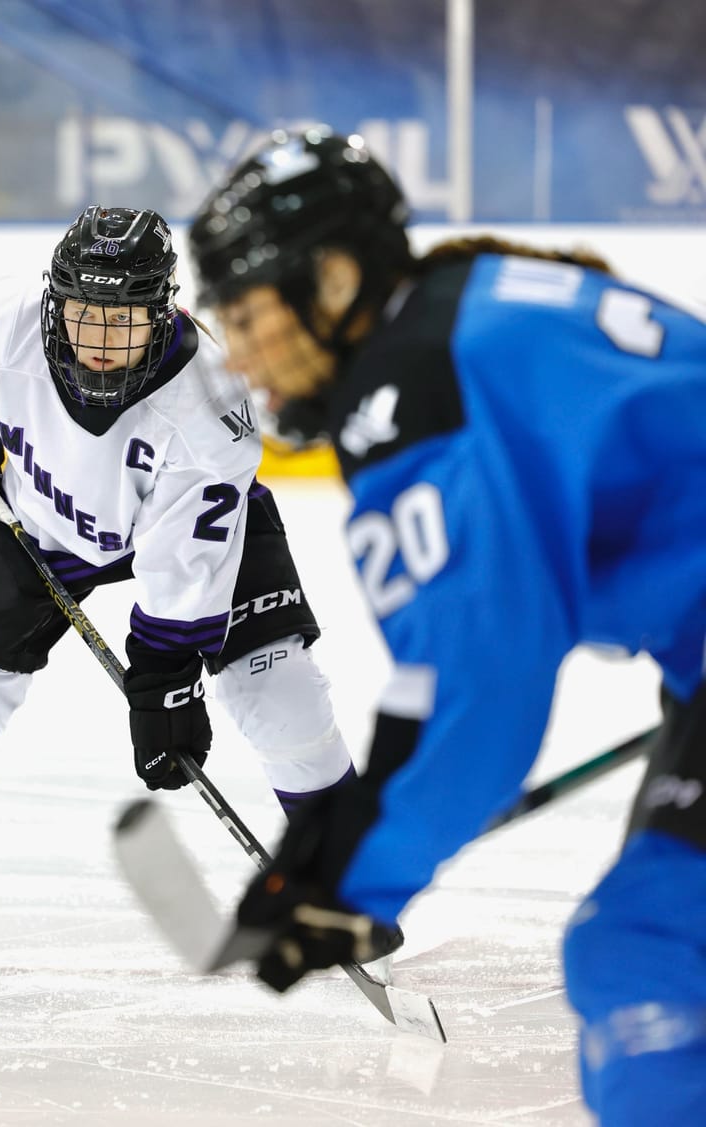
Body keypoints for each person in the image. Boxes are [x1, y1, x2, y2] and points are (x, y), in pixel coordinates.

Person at [187, 126, 706, 1125]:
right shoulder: (469, 311)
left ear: (333, 279)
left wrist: (347, 873)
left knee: (650, 956)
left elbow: (479, 692)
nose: (239, 355)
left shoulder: (410, 390)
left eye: (247, 313)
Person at [0, 204, 362, 980]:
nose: (98, 343)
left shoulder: (210, 412)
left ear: (162, 315)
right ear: (53, 301)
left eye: (122, 321)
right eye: (83, 315)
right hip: (38, 516)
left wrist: (166, 684)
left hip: (193, 530)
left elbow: (181, 579)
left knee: (281, 695)